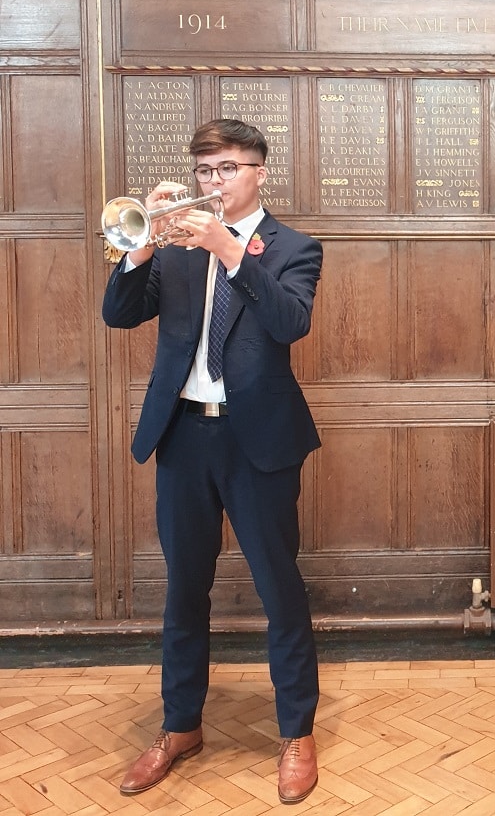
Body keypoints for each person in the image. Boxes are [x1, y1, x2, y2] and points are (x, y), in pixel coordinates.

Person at [103, 118, 322, 804]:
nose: (213, 182)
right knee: (183, 592)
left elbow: (290, 322)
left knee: (279, 588)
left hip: (258, 442)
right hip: (185, 437)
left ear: (260, 172)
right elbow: (118, 314)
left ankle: (297, 731)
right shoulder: (175, 247)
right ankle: (179, 727)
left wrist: (231, 250)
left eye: (227, 168)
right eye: (205, 171)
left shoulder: (295, 248)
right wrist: (141, 246)